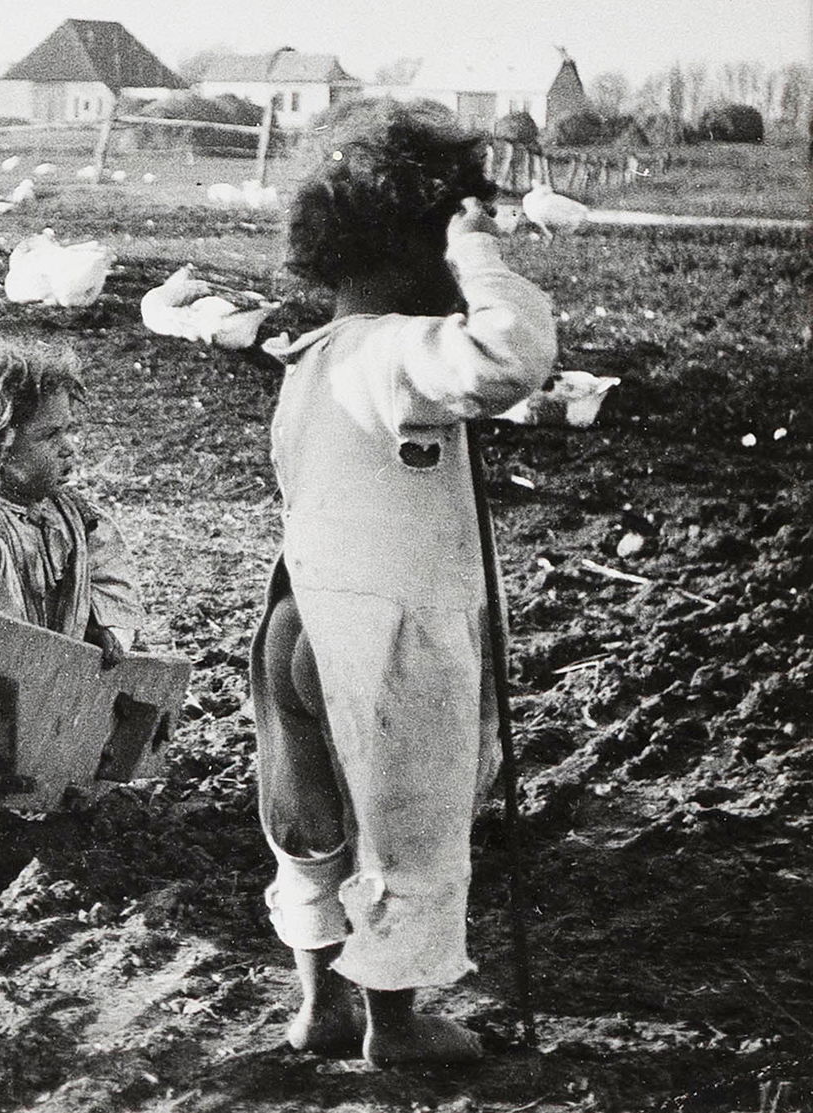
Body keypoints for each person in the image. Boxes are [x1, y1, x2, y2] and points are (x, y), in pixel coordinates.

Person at [249, 98, 557, 1066]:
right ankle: (394, 1021)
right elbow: (510, 358)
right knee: (407, 823)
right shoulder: (394, 349)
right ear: (418, 241)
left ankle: (317, 1005)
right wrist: (481, 260)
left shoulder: (312, 358)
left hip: (295, 621)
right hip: (383, 638)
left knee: (310, 823)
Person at [0, 336, 145, 664]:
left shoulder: (73, 517)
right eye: (49, 436)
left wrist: (110, 627)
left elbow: (109, 571)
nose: (68, 448)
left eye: (66, 431)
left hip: (54, 675)